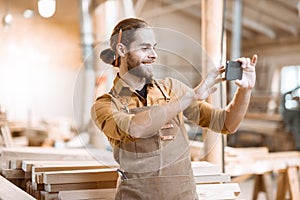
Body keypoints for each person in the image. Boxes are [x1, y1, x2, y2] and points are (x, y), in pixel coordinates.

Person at [91, 18, 258, 200]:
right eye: (145, 48)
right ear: (122, 50)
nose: (154, 54)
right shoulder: (105, 104)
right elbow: (136, 128)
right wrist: (190, 97)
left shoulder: (172, 88)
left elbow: (225, 123)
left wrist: (245, 90)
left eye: (154, 47)